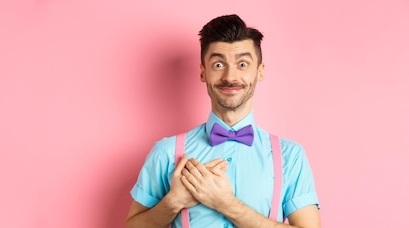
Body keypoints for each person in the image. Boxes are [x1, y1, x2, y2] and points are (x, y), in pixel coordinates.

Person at [126, 14, 320, 228]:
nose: (230, 76)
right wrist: (173, 202)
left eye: (242, 64)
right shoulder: (166, 152)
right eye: (218, 64)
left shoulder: (289, 156)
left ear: (260, 72)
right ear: (203, 72)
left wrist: (226, 204)